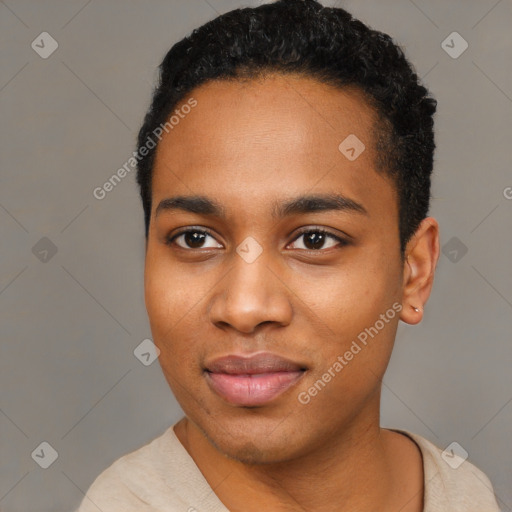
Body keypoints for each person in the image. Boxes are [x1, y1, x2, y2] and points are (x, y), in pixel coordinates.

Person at [76, 0, 500, 510]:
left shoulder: (463, 492)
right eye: (194, 239)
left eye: (315, 239)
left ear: (414, 272)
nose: (245, 308)